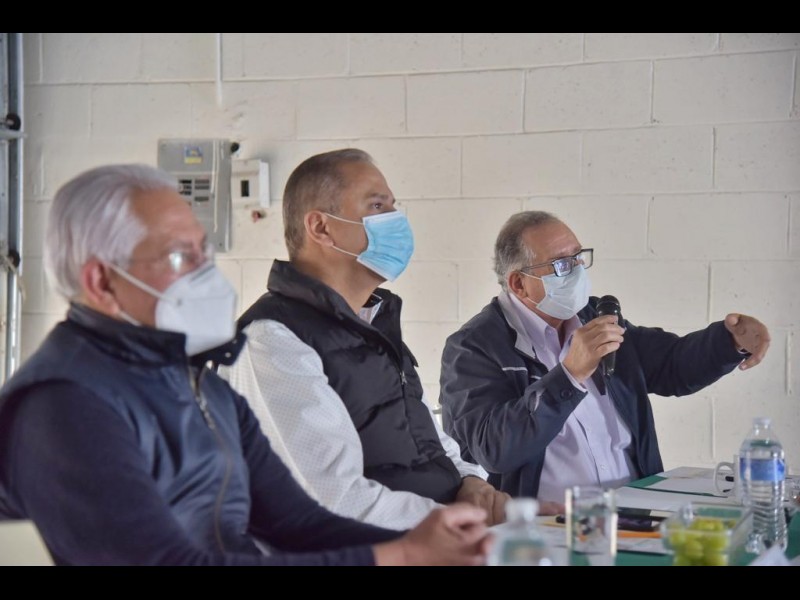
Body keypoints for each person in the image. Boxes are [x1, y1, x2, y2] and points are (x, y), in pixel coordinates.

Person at [0, 164, 491, 566]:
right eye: (180, 257)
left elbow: (298, 523)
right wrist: (399, 556)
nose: (205, 273)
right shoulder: (64, 405)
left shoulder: (201, 388)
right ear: (101, 282)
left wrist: (449, 540)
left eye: (204, 252)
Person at [223, 149, 537, 531]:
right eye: (377, 206)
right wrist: (461, 520)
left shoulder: (373, 324)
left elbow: (427, 440)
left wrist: (470, 482)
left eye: (393, 206)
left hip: (436, 540)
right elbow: (335, 498)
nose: (395, 220)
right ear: (321, 227)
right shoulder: (272, 339)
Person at [439, 211, 770, 504]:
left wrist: (729, 342)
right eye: (561, 264)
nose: (577, 271)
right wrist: (569, 376)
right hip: (546, 530)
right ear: (519, 283)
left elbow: (672, 364)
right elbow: (494, 449)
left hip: (634, 515)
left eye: (578, 257)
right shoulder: (474, 348)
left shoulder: (595, 316)